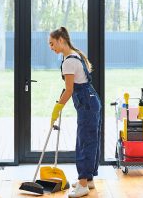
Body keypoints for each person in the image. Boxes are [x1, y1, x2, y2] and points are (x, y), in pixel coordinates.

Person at [48, 27, 102, 198]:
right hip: (92, 101)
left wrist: (57, 107)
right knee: (90, 140)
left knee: (84, 142)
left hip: (87, 104)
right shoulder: (74, 54)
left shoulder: (68, 61)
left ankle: (83, 185)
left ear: (61, 40)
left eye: (52, 43)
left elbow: (69, 89)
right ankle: (89, 179)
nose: (51, 47)